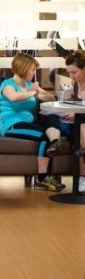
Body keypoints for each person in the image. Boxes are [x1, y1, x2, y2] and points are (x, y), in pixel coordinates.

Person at [0, 52, 65, 191]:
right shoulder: (7, 84)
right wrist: (33, 93)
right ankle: (41, 180)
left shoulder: (29, 85)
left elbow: (52, 99)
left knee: (52, 117)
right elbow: (14, 97)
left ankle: (54, 142)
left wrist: (40, 92)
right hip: (11, 124)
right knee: (43, 135)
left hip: (28, 123)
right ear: (23, 68)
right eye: (33, 69)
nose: (34, 73)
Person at [65, 50, 85, 192]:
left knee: (82, 130)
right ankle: (81, 176)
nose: (71, 76)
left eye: (74, 72)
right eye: (69, 72)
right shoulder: (76, 84)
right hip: (80, 119)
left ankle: (82, 176)